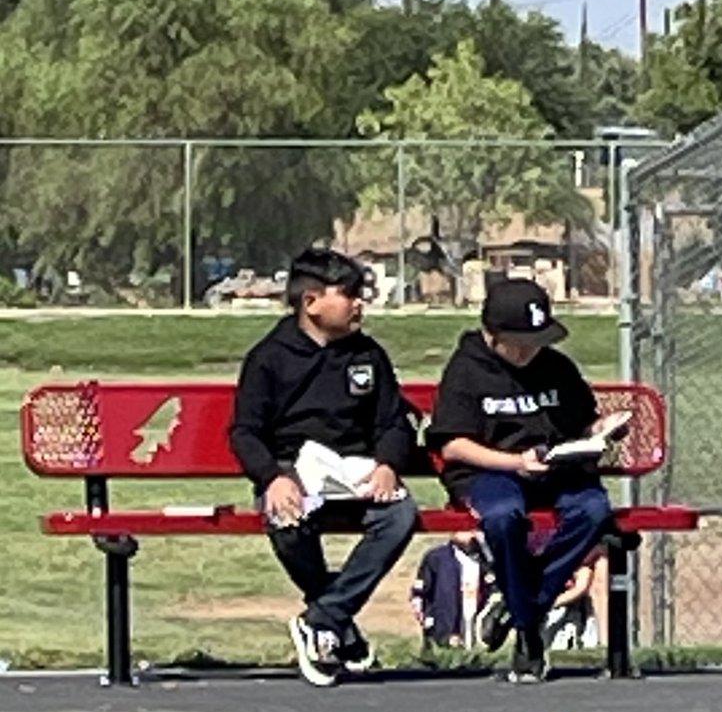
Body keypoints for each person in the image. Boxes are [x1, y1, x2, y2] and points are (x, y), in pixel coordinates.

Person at [229, 247, 418, 687]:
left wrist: (388, 465)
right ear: (310, 302)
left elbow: (394, 422)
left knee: (399, 515)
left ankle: (322, 617)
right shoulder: (269, 358)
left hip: (355, 471)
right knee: (287, 520)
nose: (359, 303)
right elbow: (245, 432)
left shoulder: (368, 355)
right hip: (292, 471)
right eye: (349, 293)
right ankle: (337, 623)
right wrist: (272, 479)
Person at [427, 277, 617, 683]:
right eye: (520, 341)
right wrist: (513, 462)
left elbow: (581, 423)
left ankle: (521, 609)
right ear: (492, 334)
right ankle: (529, 628)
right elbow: (454, 447)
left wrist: (602, 431)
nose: (531, 350)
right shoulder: (466, 370)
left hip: (555, 469)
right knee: (503, 516)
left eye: (539, 339)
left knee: (594, 509)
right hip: (490, 470)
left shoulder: (556, 367)